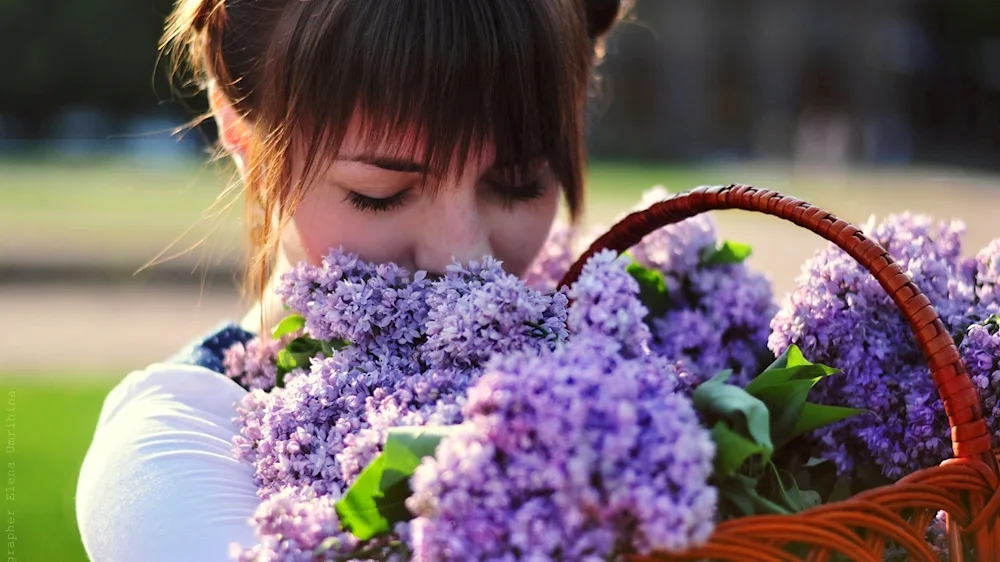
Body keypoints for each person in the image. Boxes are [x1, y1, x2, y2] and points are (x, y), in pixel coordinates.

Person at [76, 0, 626, 560]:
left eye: (517, 182)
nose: (464, 255)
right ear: (242, 136)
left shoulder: (634, 358)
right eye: (379, 193)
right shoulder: (175, 454)